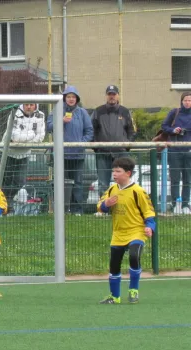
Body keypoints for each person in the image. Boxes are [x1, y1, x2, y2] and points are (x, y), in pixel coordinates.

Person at [96, 157, 155, 304]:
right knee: (114, 265)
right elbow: (99, 206)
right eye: (113, 171)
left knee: (134, 256)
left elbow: (149, 212)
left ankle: (133, 290)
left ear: (128, 173)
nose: (114, 174)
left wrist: (150, 227)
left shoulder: (138, 191)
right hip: (118, 233)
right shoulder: (112, 189)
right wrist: (106, 204)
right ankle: (115, 297)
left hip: (136, 231)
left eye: (118, 171)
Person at [47, 86, 93, 215]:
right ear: (64, 98)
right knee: (60, 184)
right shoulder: (56, 110)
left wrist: (82, 143)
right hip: (61, 155)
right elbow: (49, 126)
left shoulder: (82, 112)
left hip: (78, 155)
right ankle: (61, 211)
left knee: (78, 183)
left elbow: (89, 131)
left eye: (73, 97)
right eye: (68, 97)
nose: (71, 99)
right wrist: (61, 121)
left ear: (77, 99)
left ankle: (77, 210)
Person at [91, 85, 136, 215]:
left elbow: (132, 131)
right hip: (103, 152)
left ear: (118, 95)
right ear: (106, 95)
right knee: (103, 183)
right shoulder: (98, 111)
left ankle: (125, 209)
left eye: (114, 94)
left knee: (123, 182)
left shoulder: (125, 111)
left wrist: (126, 145)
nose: (112, 96)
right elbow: (91, 130)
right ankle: (103, 210)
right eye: (109, 94)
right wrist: (96, 146)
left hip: (121, 153)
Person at [2, 103, 45, 211]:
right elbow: (13, 136)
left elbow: (40, 137)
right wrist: (31, 134)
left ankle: (8, 202)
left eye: (31, 104)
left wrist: (22, 137)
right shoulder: (14, 114)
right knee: (6, 181)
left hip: (24, 153)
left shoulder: (40, 116)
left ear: (35, 106)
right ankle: (4, 205)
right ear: (22, 105)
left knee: (19, 181)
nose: (29, 107)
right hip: (8, 152)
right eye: (26, 104)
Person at [161, 91, 191, 214]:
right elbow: (164, 126)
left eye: (190, 101)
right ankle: (175, 203)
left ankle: (185, 204)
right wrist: (174, 130)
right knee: (175, 178)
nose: (188, 103)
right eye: (186, 101)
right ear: (181, 101)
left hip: (189, 151)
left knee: (188, 179)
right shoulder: (175, 112)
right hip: (174, 150)